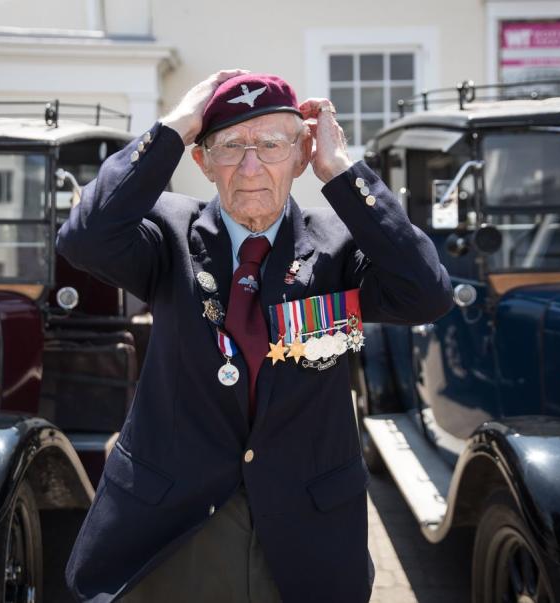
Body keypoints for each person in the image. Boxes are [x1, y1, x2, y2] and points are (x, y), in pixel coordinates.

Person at [59, 70, 452, 603]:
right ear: (201, 161)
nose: (251, 166)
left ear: (300, 155)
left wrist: (341, 170)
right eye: (231, 146)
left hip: (306, 539)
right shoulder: (169, 232)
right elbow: (85, 238)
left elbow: (426, 293)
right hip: (170, 534)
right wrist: (174, 127)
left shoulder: (339, 244)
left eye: (270, 144)